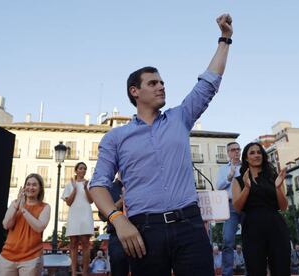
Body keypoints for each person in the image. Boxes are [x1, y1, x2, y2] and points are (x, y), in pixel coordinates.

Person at [90, 13, 233, 276]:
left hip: (190, 226)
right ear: (135, 91)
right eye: (153, 83)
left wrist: (225, 39)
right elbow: (98, 185)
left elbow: (209, 83)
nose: (161, 87)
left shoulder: (180, 117)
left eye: (162, 82)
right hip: (143, 232)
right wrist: (117, 219)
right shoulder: (115, 137)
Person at [232, 142, 290, 276]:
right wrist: (247, 187)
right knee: (255, 269)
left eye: (259, 152)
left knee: (281, 267)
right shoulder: (238, 180)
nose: (256, 155)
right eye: (252, 153)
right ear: (246, 158)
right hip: (252, 227)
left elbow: (283, 207)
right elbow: (237, 207)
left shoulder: (273, 177)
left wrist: (277, 188)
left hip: (276, 225)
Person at [0, 173, 51, 276]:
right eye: (28, 184)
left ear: (40, 189)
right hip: (7, 257)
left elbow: (39, 227)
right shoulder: (15, 204)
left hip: (31, 258)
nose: (30, 187)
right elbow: (6, 225)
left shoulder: (45, 207)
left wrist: (23, 210)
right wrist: (16, 206)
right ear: (24, 187)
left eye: (34, 185)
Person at [62, 162, 94, 276]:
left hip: (85, 214)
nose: (83, 170)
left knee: (86, 243)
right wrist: (75, 189)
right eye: (80, 168)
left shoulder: (89, 183)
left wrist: (85, 188)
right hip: (74, 215)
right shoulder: (69, 184)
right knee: (73, 244)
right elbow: (69, 202)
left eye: (84, 169)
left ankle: (85, 273)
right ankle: (74, 273)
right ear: (76, 170)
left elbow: (91, 201)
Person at [216, 142, 242, 276]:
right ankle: (227, 274)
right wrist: (230, 176)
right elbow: (218, 187)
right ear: (228, 153)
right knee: (227, 240)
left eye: (238, 149)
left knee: (251, 240)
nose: (236, 152)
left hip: (247, 206)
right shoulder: (223, 169)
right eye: (233, 150)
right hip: (230, 207)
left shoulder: (247, 167)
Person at [98, 175, 130, 276]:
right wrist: (121, 202)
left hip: (142, 232)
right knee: (118, 270)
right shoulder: (109, 188)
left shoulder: (139, 185)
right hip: (117, 235)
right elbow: (102, 216)